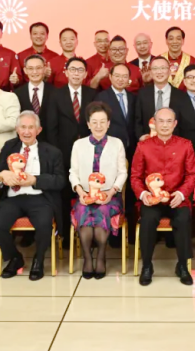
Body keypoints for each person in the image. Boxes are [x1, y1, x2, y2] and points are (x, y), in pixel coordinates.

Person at [0, 111, 65, 281]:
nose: (26, 132)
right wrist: (2, 176)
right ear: (17, 129)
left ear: (38, 130)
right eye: (23, 127)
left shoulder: (52, 151)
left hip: (39, 197)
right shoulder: (9, 147)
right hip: (13, 197)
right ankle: (15, 258)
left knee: (44, 224)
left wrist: (35, 180)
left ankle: (38, 261)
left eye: (31, 127)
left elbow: (60, 180)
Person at [131, 107, 195, 286]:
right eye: (161, 121)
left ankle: (182, 265)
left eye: (169, 121)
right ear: (154, 123)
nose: (165, 125)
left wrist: (182, 193)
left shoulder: (185, 145)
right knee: (147, 220)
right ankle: (147, 266)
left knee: (183, 219)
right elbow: (135, 176)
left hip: (177, 198)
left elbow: (192, 174)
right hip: (152, 200)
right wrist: (143, 194)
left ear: (175, 124)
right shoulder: (143, 146)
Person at [69, 102, 127, 279]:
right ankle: (87, 258)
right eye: (94, 122)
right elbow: (73, 173)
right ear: (88, 124)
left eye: (102, 122)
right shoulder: (79, 145)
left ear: (108, 123)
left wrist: (111, 192)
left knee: (102, 211)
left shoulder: (117, 144)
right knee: (83, 212)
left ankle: (101, 256)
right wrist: (80, 192)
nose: (98, 126)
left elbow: (122, 172)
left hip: (110, 194)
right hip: (85, 194)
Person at [46, 56, 97, 242]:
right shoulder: (55, 95)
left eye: (80, 70)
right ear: (66, 72)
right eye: (73, 69)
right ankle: (66, 236)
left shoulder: (93, 94)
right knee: (65, 195)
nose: (76, 73)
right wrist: (56, 154)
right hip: (63, 153)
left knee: (89, 192)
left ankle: (90, 234)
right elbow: (51, 127)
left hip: (89, 152)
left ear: (85, 74)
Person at [134, 56, 194, 145]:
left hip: (174, 146)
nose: (159, 72)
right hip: (148, 144)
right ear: (150, 72)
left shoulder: (181, 96)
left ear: (169, 71)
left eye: (163, 68)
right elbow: (137, 120)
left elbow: (187, 126)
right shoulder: (142, 94)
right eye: (155, 68)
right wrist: (141, 136)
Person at [96, 64, 137, 154]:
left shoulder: (133, 98)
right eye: (117, 76)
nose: (120, 79)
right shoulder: (101, 97)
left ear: (129, 79)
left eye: (124, 76)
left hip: (132, 148)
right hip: (110, 147)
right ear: (110, 77)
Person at [15, 55, 54, 143]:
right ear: (25, 70)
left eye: (38, 68)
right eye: (30, 68)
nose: (35, 72)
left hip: (50, 143)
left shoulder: (55, 92)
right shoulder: (17, 93)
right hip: (25, 142)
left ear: (45, 69)